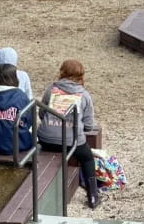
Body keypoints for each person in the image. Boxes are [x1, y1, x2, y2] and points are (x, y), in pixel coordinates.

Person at [37, 59, 100, 208]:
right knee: (87, 158)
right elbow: (89, 125)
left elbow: (42, 113)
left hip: (46, 138)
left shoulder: (51, 89)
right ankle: (92, 195)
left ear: (62, 72)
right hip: (72, 141)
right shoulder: (84, 95)